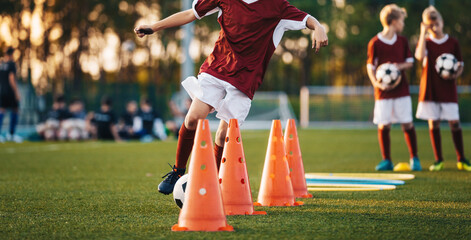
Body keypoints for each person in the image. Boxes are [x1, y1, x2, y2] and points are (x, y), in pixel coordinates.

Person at [135, 0, 328, 194]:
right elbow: (190, 14)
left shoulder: (276, 5)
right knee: (193, 118)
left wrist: (318, 26)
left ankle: (210, 182)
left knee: (222, 134)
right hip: (217, 69)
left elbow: (306, 18)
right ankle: (178, 171)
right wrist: (154, 26)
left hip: (246, 79)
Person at [366, 4, 421, 171]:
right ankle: (386, 160)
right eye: (402, 21)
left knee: (407, 123)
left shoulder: (402, 41)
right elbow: (371, 67)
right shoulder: (375, 42)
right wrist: (377, 83)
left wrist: (397, 67)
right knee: (384, 125)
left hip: (401, 89)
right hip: (382, 91)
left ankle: (414, 158)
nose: (403, 24)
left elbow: (410, 63)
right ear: (394, 21)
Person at [414, 6, 469, 171]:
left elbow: (460, 65)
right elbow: (418, 56)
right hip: (430, 88)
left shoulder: (453, 42)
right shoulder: (427, 43)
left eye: (436, 23)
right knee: (434, 123)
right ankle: (438, 159)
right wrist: (423, 33)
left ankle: (462, 159)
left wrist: (454, 75)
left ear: (442, 22)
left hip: (448, 88)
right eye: (430, 25)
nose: (434, 27)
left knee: (454, 122)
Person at [0, 47, 22, 143]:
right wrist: (16, 92)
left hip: (2, 91)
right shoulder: (12, 64)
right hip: (10, 92)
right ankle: (11, 134)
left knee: (2, 111)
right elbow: (11, 78)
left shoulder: (2, 64)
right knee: (15, 110)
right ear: (11, 54)